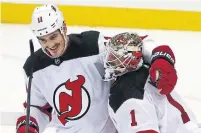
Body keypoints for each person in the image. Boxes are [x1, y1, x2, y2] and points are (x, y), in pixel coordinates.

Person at [15, 4, 117, 133]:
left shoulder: (93, 46)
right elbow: (40, 107)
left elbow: (126, 52)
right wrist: (29, 125)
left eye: (53, 37)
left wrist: (151, 56)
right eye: (43, 40)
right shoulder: (33, 67)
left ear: (64, 28)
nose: (50, 45)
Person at [104, 32, 201, 133]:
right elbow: (147, 43)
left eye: (115, 57)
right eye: (110, 55)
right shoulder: (145, 68)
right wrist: (162, 56)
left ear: (130, 60)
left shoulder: (129, 92)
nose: (109, 60)